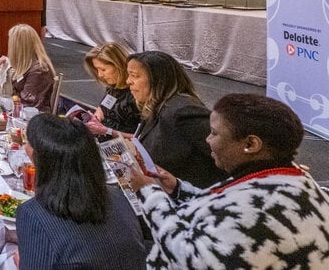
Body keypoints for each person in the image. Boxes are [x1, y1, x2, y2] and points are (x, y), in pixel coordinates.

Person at [131, 95, 329, 269]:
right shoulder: (289, 178)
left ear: (251, 144)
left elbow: (191, 259)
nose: (208, 139)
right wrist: (178, 189)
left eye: (215, 133)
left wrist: (150, 194)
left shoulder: (262, 208)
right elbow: (226, 210)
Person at [15, 114, 146, 270]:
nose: (25, 147)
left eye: (29, 143)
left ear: (42, 160)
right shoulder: (119, 196)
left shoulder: (33, 213)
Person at [126, 50, 222, 188]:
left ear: (158, 80)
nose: (128, 81)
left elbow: (224, 154)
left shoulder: (184, 111)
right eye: (129, 75)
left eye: (134, 76)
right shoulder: (156, 107)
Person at [0, 24, 56, 112]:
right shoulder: (28, 64)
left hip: (31, 117)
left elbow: (29, 104)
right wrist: (6, 60)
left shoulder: (39, 71)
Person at [80, 42, 141, 136]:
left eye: (103, 70)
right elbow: (103, 107)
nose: (100, 75)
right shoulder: (113, 86)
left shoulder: (138, 94)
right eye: (97, 70)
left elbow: (143, 139)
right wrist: (95, 119)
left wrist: (106, 131)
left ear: (118, 66)